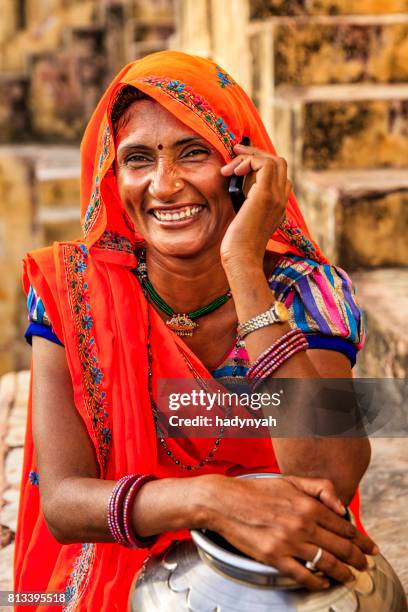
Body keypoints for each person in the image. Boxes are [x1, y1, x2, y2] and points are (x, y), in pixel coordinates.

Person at [14, 51, 377, 612]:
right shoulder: (73, 293)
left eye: (193, 153)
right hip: (123, 580)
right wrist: (210, 499)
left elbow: (333, 476)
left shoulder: (307, 291)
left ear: (242, 169)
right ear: (114, 180)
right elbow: (63, 503)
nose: (165, 184)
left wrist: (245, 267)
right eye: (138, 159)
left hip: (282, 577)